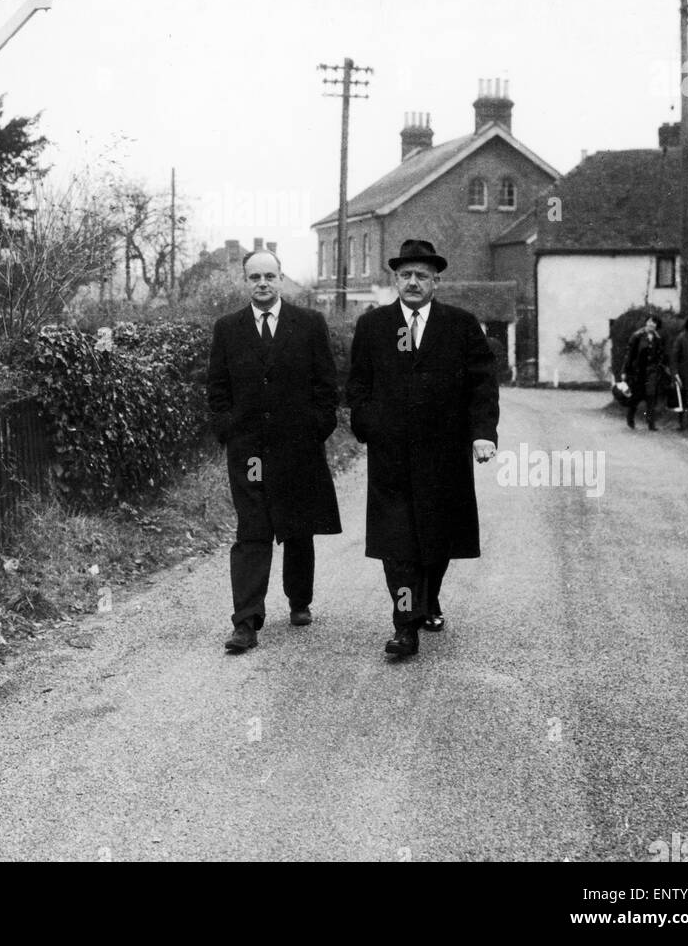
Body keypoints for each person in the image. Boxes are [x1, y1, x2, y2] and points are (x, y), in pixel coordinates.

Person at [346, 238, 499, 660]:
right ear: (395, 279)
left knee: (437, 538)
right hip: (390, 455)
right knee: (397, 543)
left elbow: (482, 385)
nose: (413, 282)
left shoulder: (461, 325)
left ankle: (429, 597)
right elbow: (357, 385)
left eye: (422, 276)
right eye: (406, 275)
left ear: (436, 281)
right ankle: (405, 626)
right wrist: (368, 425)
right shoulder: (374, 326)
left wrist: (482, 433)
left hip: (444, 453)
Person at [206, 247, 341, 653]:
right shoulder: (228, 328)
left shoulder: (309, 324)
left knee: (297, 523)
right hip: (248, 451)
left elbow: (326, 385)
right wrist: (227, 428)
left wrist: (317, 427)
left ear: (281, 279)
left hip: (297, 445)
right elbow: (217, 388)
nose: (262, 284)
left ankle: (299, 600)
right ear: (245, 282)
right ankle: (246, 621)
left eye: (269, 276)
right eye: (254, 277)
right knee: (253, 527)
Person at [621, 314, 671, 431]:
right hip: (638, 371)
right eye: (649, 321)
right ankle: (630, 417)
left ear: (657, 325)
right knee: (636, 396)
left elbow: (660, 355)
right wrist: (624, 370)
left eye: (654, 323)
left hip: (652, 372)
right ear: (646, 323)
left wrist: (661, 366)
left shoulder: (658, 338)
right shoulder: (636, 336)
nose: (651, 324)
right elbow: (629, 355)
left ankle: (651, 423)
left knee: (651, 396)